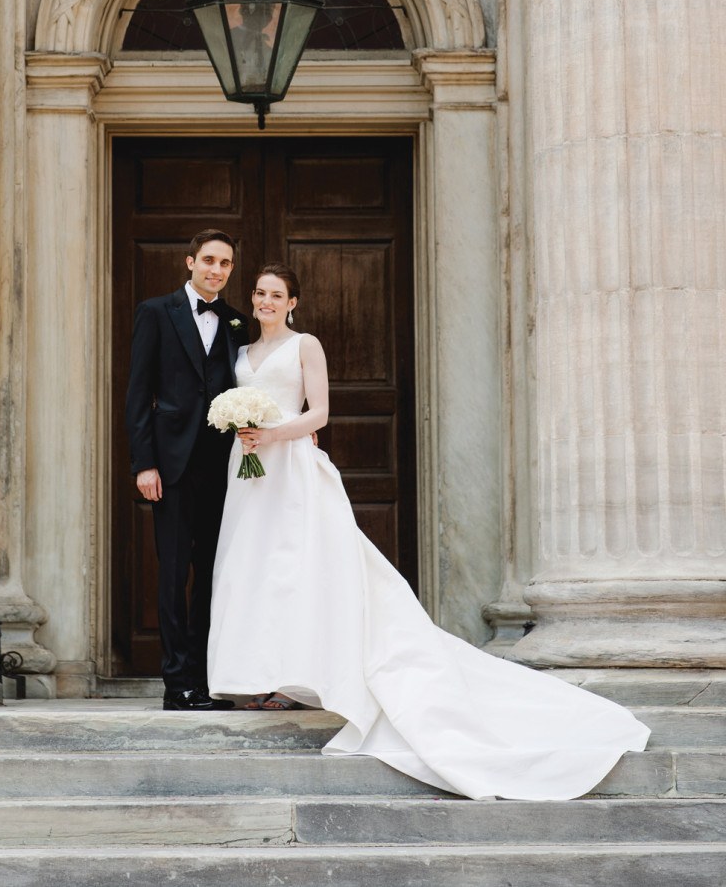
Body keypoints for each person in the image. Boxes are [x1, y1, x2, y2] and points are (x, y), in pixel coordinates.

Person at [207, 264, 651, 800]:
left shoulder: (306, 345)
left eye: (276, 294)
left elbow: (320, 412)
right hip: (250, 473)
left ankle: (305, 677)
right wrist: (246, 433)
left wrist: (274, 432)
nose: (265, 301)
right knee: (254, 572)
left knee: (301, 571)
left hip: (293, 469)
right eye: (259, 293)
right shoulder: (239, 354)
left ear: (293, 302)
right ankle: (267, 676)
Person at [125, 231, 250, 711]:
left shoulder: (238, 321)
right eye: (209, 261)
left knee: (213, 573)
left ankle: (205, 678)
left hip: (224, 469)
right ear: (190, 262)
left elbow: (251, 381)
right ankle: (177, 684)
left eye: (226, 264)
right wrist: (145, 463)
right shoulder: (156, 312)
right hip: (171, 467)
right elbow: (138, 393)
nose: (217, 270)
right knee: (174, 574)